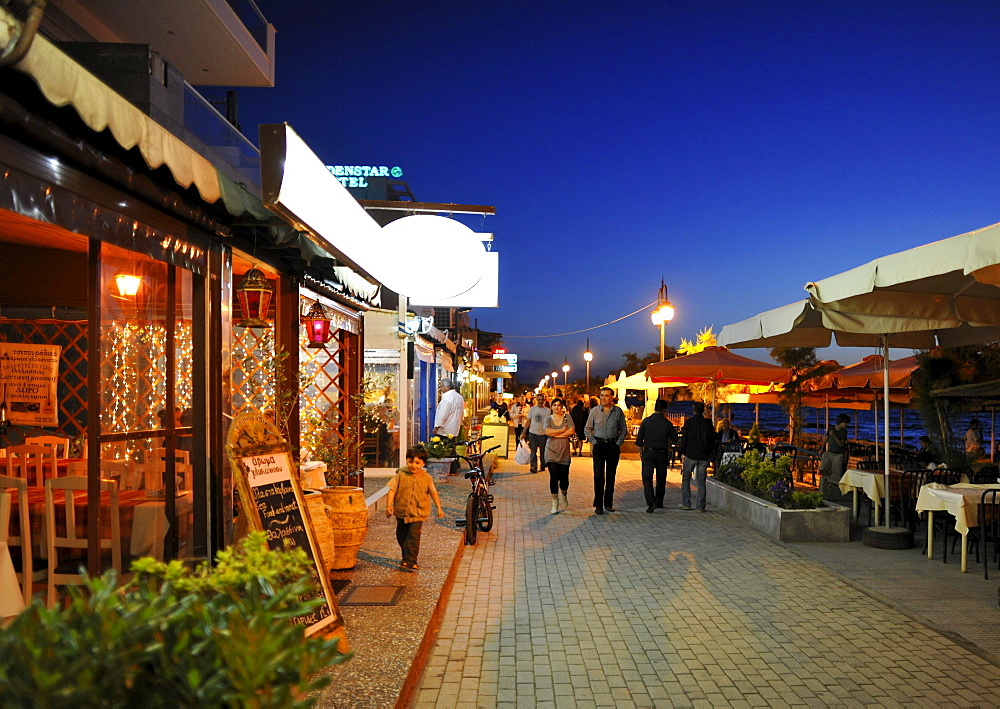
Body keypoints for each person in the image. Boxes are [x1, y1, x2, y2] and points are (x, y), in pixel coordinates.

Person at [385, 444, 445, 571]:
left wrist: (439, 508)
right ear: (407, 460)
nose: (413, 465)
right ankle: (405, 557)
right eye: (410, 462)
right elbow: (392, 490)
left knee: (413, 535)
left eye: (417, 463)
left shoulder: (427, 478)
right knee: (401, 535)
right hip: (402, 511)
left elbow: (433, 492)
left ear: (423, 463)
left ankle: (412, 560)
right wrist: (388, 506)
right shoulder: (401, 474)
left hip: (418, 512)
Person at [585, 387, 627, 514]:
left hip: (612, 446)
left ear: (612, 397)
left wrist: (618, 444)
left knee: (611, 475)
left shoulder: (618, 412)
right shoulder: (594, 411)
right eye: (602, 395)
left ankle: (608, 503)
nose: (603, 398)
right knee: (598, 476)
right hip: (599, 445)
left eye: (606, 396)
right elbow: (587, 429)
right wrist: (594, 442)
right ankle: (598, 504)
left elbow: (623, 430)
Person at [635, 398, 677, 512]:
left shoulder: (646, 421)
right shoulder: (667, 423)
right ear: (664, 410)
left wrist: (641, 454)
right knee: (661, 478)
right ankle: (659, 502)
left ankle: (650, 501)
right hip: (662, 453)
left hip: (648, 452)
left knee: (647, 478)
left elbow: (639, 441)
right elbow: (675, 439)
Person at [678, 401, 716, 512]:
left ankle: (686, 503)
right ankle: (700, 506)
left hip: (690, 454)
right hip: (703, 456)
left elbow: (684, 440)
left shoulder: (689, 423)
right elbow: (712, 440)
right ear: (703, 410)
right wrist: (709, 453)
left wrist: (682, 451)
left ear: (693, 410)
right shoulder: (708, 424)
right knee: (701, 481)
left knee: (686, 478)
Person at [543, 398, 574, 514]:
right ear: (551, 407)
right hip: (550, 450)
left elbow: (571, 431)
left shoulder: (567, 417)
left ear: (562, 407)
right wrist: (562, 430)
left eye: (558, 405)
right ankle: (554, 502)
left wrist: (556, 435)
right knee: (554, 476)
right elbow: (547, 432)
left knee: (564, 478)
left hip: (564, 451)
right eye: (554, 405)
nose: (556, 407)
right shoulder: (548, 419)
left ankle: (564, 494)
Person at [523, 394, 551, 473]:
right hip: (533, 434)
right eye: (538, 400)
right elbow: (528, 421)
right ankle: (533, 466)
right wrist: (524, 432)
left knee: (543, 452)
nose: (540, 401)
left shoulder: (548, 411)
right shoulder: (532, 409)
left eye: (542, 400)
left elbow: (550, 423)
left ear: (544, 400)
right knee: (533, 451)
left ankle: (543, 464)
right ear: (536, 400)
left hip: (543, 435)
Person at [433, 378, 464, 445]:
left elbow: (442, 415)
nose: (440, 389)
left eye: (441, 386)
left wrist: (436, 427)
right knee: (452, 448)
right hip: (454, 429)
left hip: (445, 430)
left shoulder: (447, 399)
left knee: (445, 450)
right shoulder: (459, 397)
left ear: (447, 387)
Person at [824, 413, 851, 478]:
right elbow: (826, 438)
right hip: (829, 452)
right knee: (824, 468)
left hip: (838, 454)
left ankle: (835, 486)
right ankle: (826, 484)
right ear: (840, 421)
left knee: (837, 473)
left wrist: (834, 435)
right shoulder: (831, 428)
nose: (846, 425)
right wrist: (822, 447)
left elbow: (841, 444)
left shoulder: (844, 432)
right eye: (845, 423)